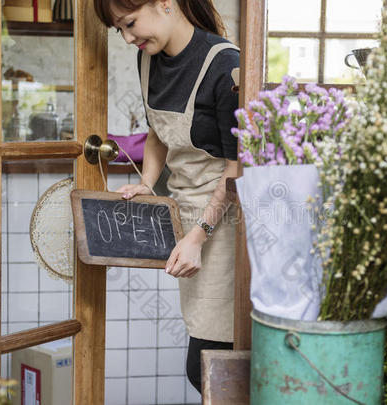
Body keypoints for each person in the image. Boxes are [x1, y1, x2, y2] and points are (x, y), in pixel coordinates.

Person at [93, 0, 239, 393]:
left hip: (225, 222)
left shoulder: (224, 66)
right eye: (119, 30)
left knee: (210, 364)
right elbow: (158, 130)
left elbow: (237, 169)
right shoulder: (149, 59)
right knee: (207, 359)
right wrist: (148, 182)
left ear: (165, 3)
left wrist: (199, 234)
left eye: (130, 24)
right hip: (186, 215)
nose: (127, 38)